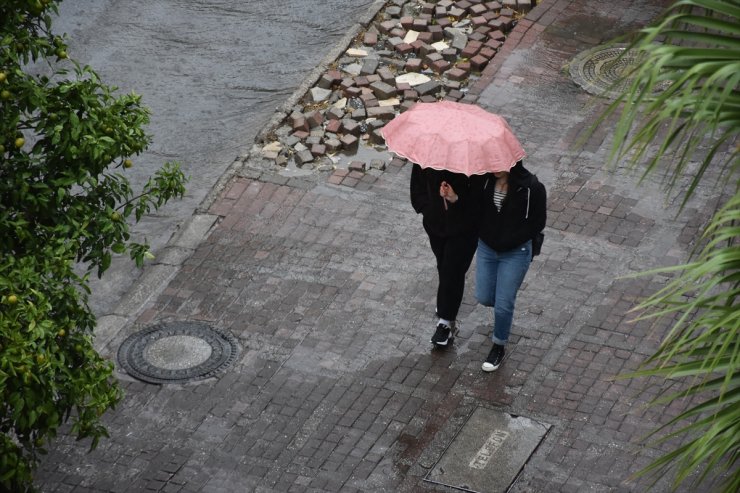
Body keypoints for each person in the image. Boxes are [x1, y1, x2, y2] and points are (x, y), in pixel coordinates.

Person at [476, 161, 546, 371]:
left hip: (516, 252)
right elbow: (474, 209)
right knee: (485, 297)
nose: (495, 167)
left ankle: (499, 344)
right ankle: (502, 314)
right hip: (487, 247)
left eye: (500, 162)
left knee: (504, 303)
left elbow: (538, 222)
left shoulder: (532, 187)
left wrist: (512, 238)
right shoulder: (484, 181)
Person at [410, 164, 482, 347]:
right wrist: (427, 208)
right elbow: (417, 186)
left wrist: (455, 198)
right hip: (436, 226)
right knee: (443, 265)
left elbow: (478, 202)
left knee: (452, 270)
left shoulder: (472, 165)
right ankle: (446, 300)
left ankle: (445, 322)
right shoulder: (428, 158)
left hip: (464, 229)